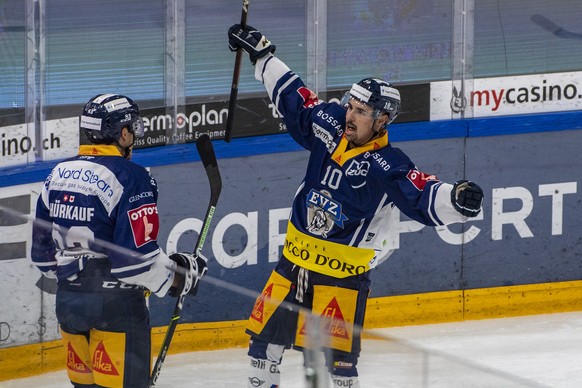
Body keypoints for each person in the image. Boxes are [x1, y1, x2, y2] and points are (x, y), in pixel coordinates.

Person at [227, 25, 484, 388]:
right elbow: (296, 99)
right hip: (293, 263)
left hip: (340, 277)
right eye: (350, 104)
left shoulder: (387, 164)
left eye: (361, 111)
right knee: (261, 351)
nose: (350, 114)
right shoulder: (330, 125)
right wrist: (264, 56)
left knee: (339, 370)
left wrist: (456, 200)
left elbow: (423, 193)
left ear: (382, 119)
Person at [30, 94, 207, 388]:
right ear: (122, 133)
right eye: (132, 128)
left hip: (69, 305)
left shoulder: (56, 174)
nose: (134, 136)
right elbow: (135, 265)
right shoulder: (132, 177)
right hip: (115, 308)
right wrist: (179, 280)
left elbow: (43, 258)